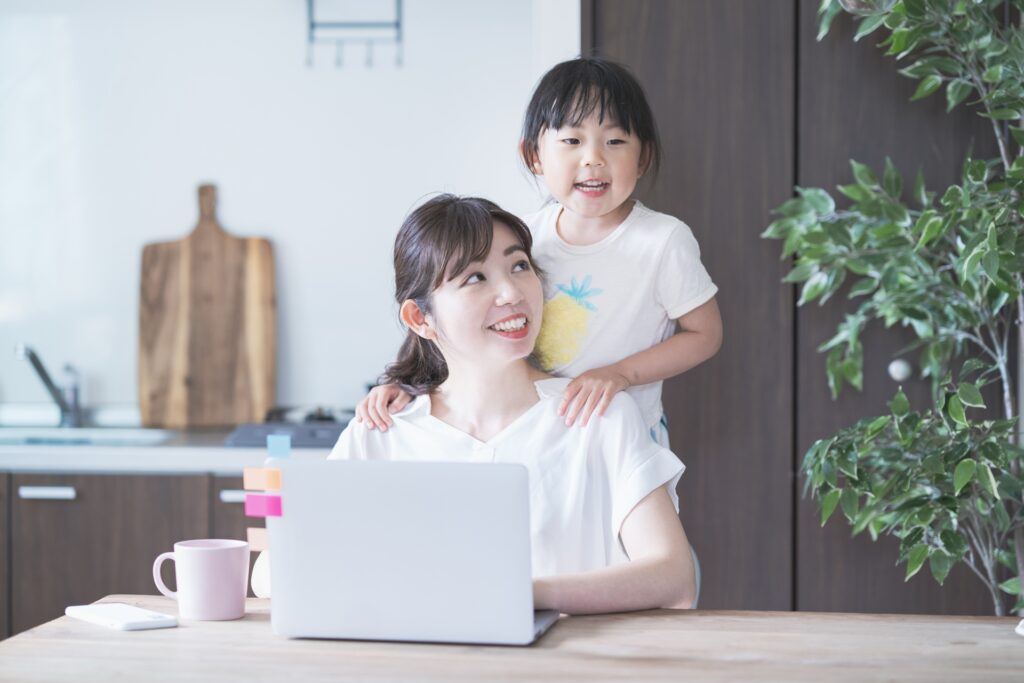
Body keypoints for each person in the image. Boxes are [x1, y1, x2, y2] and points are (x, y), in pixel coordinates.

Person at [252, 195, 696, 614]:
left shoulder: (596, 416)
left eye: (519, 266)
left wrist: (524, 596)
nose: (512, 293)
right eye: (475, 278)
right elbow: (269, 574)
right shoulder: (383, 430)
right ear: (420, 318)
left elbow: (674, 578)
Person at [357, 58, 722, 449]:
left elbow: (705, 334)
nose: (593, 158)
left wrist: (621, 374)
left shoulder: (663, 240)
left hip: (624, 436)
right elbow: (449, 319)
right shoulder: (524, 236)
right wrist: (405, 384)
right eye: (572, 141)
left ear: (643, 157)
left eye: (615, 141)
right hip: (537, 434)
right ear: (534, 156)